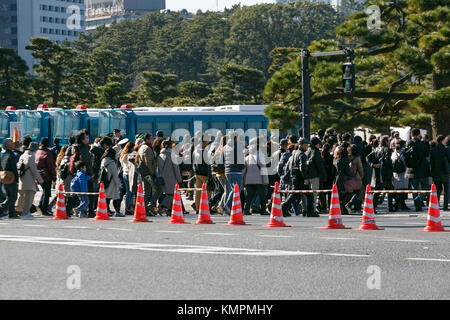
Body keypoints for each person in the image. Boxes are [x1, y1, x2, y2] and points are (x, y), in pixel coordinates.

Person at [281, 138, 314, 217]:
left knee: (294, 195)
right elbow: (302, 167)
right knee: (309, 195)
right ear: (303, 145)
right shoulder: (302, 155)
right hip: (300, 178)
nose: (308, 147)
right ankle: (310, 212)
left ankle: (283, 208)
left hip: (295, 177)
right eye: (307, 145)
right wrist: (305, 178)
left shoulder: (295, 153)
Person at [136, 133, 162, 216]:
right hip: (148, 173)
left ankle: (145, 209)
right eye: (151, 138)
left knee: (146, 191)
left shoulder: (141, 147)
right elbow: (149, 163)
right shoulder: (147, 148)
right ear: (147, 139)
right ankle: (151, 204)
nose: (153, 140)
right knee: (158, 189)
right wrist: (153, 173)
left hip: (143, 172)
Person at [405, 128, 430, 211]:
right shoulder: (422, 143)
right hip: (422, 169)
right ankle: (419, 198)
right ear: (419, 134)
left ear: (411, 135)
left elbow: (405, 155)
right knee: (425, 186)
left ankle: (417, 206)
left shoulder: (409, 143)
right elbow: (427, 154)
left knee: (414, 188)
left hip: (412, 169)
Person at [16, 142, 43, 219]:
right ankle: (25, 213)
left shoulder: (23, 155)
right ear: (34, 150)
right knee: (29, 198)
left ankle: (21, 212)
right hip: (29, 181)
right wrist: (40, 180)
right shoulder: (31, 156)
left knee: (23, 197)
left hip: (22, 179)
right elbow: (34, 170)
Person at [157, 139, 182, 215]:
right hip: (171, 177)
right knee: (172, 194)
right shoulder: (172, 155)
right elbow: (176, 169)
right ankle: (161, 206)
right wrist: (179, 179)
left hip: (161, 177)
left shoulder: (160, 155)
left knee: (167, 193)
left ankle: (168, 210)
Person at [243, 144, 269, 215]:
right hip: (258, 179)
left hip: (249, 179)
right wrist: (265, 180)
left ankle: (247, 210)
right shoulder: (260, 156)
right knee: (262, 195)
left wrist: (244, 180)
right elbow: (263, 168)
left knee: (249, 196)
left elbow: (244, 170)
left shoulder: (247, 157)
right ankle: (263, 210)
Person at [306, 137, 327, 215]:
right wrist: (324, 175)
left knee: (308, 193)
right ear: (316, 144)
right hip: (315, 176)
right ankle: (313, 210)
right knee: (314, 193)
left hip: (307, 176)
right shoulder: (316, 152)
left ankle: (306, 208)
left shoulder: (307, 151)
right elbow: (320, 165)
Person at [36, 137, 56, 216]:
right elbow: (51, 166)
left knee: (44, 191)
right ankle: (44, 209)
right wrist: (54, 176)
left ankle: (41, 206)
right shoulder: (47, 153)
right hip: (46, 175)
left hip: (39, 174)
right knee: (47, 192)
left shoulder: (38, 151)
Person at [100, 147, 122, 217]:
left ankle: (107, 210)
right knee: (115, 197)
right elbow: (115, 176)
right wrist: (119, 184)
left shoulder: (103, 161)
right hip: (112, 183)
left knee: (107, 197)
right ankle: (117, 211)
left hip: (105, 181)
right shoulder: (112, 163)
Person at [333, 142, 353, 214]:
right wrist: (351, 175)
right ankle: (342, 206)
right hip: (344, 178)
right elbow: (347, 170)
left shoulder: (336, 159)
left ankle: (341, 208)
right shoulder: (345, 160)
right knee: (350, 192)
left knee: (340, 194)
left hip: (336, 178)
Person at [430, 135, 449, 210]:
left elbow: (431, 162)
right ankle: (445, 206)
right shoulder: (446, 149)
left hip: (436, 172)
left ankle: (436, 205)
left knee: (438, 189)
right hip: (445, 172)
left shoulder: (433, 150)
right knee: (446, 190)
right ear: (442, 140)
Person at [391, 140, 409, 211]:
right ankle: (401, 204)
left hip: (395, 173)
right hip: (403, 172)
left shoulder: (393, 153)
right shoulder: (404, 152)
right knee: (404, 189)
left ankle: (398, 203)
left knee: (397, 189)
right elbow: (405, 161)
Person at [345, 144, 364, 214]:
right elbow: (360, 169)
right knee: (358, 192)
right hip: (356, 177)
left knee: (352, 192)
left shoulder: (348, 157)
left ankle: (352, 206)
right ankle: (350, 204)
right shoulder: (357, 158)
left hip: (349, 177)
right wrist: (362, 176)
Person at [120, 141, 136, 215]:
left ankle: (128, 206)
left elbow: (122, 164)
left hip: (124, 173)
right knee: (130, 191)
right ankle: (127, 207)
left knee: (128, 191)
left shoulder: (123, 154)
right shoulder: (130, 155)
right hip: (129, 173)